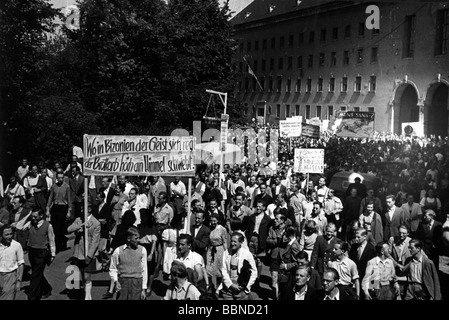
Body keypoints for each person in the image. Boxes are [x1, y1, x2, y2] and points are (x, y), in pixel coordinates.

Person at [66, 204, 101, 300]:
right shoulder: (78, 220)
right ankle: (86, 294)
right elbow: (69, 229)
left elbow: (95, 241)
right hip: (79, 253)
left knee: (87, 276)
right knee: (81, 275)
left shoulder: (96, 223)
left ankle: (87, 297)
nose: (81, 210)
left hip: (89, 253)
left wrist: (89, 255)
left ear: (89, 209)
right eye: (81, 208)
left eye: (83, 208)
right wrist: (81, 225)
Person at [109, 227, 148, 300]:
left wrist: (143, 289)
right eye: (136, 238)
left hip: (137, 282)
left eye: (139, 238)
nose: (138, 240)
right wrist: (116, 281)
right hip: (123, 282)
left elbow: (144, 270)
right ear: (129, 239)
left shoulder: (142, 250)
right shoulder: (118, 251)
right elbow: (113, 268)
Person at [25, 210, 56, 300]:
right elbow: (20, 227)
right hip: (32, 251)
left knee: (35, 274)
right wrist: (27, 216)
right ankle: (47, 288)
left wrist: (53, 254)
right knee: (37, 272)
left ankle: (33, 296)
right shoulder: (30, 223)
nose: (33, 218)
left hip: (41, 252)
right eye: (32, 216)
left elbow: (52, 240)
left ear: (41, 216)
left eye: (35, 216)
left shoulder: (48, 226)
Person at [220, 232, 258, 300]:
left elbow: (254, 272)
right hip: (228, 288)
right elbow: (223, 269)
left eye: (235, 241)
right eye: (231, 241)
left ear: (241, 242)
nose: (232, 243)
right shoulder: (226, 252)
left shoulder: (247, 254)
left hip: (241, 290)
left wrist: (247, 287)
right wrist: (230, 284)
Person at [46, 171, 72, 253]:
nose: (60, 179)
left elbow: (69, 198)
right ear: (56, 178)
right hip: (55, 207)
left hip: (63, 207)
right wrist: (47, 208)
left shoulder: (66, 186)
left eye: (62, 178)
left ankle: (60, 244)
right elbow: (50, 197)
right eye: (59, 178)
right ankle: (59, 242)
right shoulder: (54, 186)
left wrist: (69, 210)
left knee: (59, 228)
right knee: (54, 227)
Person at [0, 225, 24, 300]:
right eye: (6, 234)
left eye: (11, 234)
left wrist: (19, 281)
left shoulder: (17, 245)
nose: (9, 236)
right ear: (1, 235)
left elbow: (21, 264)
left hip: (10, 276)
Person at [388, 225, 412, 299]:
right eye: (400, 233)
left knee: (405, 288)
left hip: (406, 267)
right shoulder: (392, 239)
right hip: (395, 266)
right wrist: (397, 264)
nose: (401, 235)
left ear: (408, 233)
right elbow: (388, 254)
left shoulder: (411, 241)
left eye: (404, 233)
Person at [206, 213, 228, 288]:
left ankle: (219, 287)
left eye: (214, 221)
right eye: (211, 220)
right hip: (211, 250)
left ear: (218, 220)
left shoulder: (222, 229)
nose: (213, 222)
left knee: (219, 270)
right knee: (209, 268)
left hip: (219, 250)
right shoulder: (210, 228)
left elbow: (225, 241)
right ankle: (211, 287)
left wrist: (226, 253)